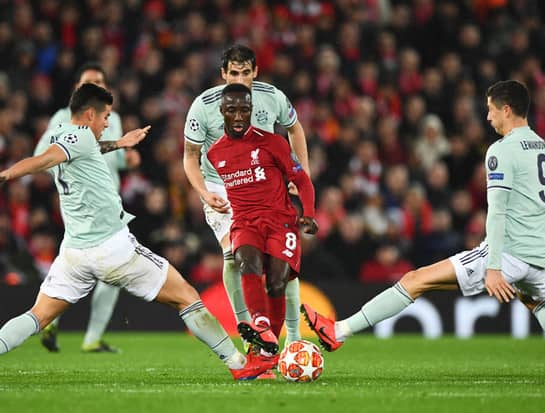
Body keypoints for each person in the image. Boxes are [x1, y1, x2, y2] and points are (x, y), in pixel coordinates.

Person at [0, 83, 276, 381]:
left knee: (38, 315)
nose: (107, 123)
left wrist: (120, 143)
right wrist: (6, 174)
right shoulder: (77, 137)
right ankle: (239, 364)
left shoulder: (65, 135)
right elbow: (43, 160)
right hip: (111, 248)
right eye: (106, 116)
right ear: (90, 114)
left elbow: (79, 150)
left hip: (73, 254)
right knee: (186, 297)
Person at [302, 80, 545, 351]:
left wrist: (493, 268)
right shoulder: (542, 148)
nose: (488, 117)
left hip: (507, 253)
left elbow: (498, 211)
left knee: (415, 280)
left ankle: (338, 331)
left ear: (507, 109)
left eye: (491, 109)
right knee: (538, 303)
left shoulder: (502, 150)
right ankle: (338, 331)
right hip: (538, 254)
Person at [183, 45, 310, 350]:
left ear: (255, 71)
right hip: (221, 187)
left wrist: (301, 173)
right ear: (223, 74)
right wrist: (203, 193)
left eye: (245, 73)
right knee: (234, 256)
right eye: (233, 73)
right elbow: (190, 156)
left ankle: (294, 338)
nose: (239, 79)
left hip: (266, 186)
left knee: (282, 263)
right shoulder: (203, 105)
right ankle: (249, 333)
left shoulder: (272, 97)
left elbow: (295, 129)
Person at [34, 62, 140, 353]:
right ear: (76, 89)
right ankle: (73, 329)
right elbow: (41, 156)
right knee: (105, 264)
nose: (94, 86)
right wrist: (65, 182)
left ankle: (72, 329)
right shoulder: (62, 118)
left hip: (110, 201)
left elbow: (114, 158)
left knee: (83, 264)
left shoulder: (113, 117)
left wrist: (128, 159)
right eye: (88, 82)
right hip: (82, 203)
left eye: (99, 82)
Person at [207, 84, 318, 356]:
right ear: (222, 111)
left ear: (251, 111)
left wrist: (309, 213)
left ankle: (269, 350)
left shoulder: (273, 143)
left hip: (280, 222)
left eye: (244, 110)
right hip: (245, 223)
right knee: (246, 261)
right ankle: (261, 324)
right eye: (231, 110)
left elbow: (302, 180)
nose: (238, 116)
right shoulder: (215, 153)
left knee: (277, 282)